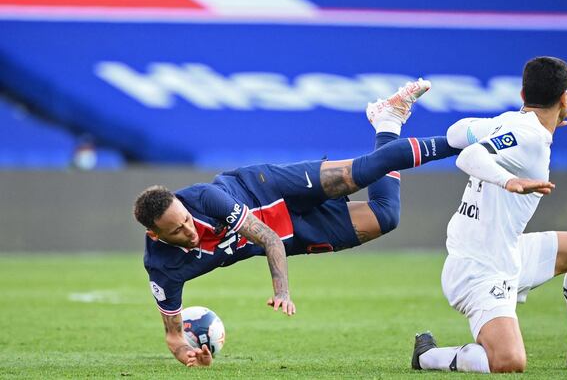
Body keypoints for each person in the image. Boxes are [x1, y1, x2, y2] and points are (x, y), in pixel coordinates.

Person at [134, 79, 461, 367]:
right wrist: (189, 355)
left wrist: (282, 292)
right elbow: (174, 337)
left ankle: (470, 140)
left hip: (269, 189)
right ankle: (388, 121)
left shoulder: (206, 200)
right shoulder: (164, 269)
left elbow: (267, 238)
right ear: (154, 234)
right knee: (385, 216)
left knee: (363, 171)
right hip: (294, 234)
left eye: (186, 220)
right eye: (176, 230)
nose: (188, 229)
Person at [411, 57, 567, 373]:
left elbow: (455, 132)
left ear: (522, 95)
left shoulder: (513, 125)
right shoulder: (527, 135)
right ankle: (428, 356)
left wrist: (496, 129)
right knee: (508, 362)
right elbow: (469, 155)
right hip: (479, 270)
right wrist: (509, 180)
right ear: (565, 98)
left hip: (508, 253)